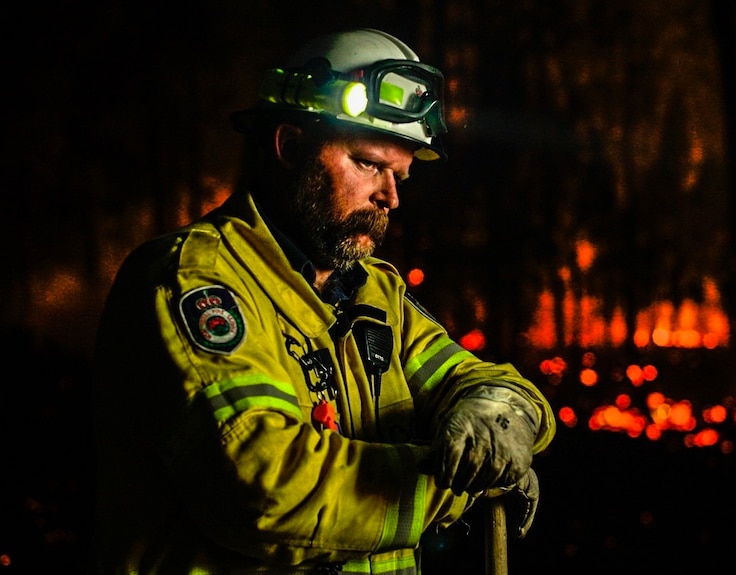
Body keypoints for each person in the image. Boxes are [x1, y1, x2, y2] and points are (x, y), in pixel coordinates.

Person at [91, 28, 556, 575]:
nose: (391, 196)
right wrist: (458, 483)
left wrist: (505, 417)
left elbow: (479, 382)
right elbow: (266, 490)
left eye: (398, 174)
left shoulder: (376, 293)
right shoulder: (192, 281)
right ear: (289, 146)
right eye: (367, 164)